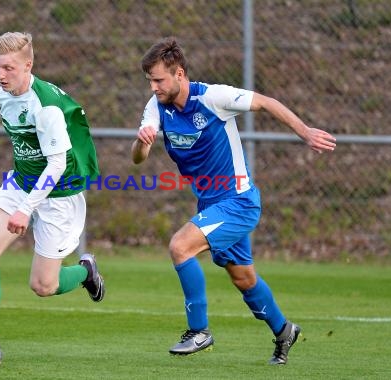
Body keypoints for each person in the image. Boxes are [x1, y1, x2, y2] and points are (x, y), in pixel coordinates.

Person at [131, 37, 336, 365]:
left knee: (180, 246)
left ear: (179, 73)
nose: (153, 87)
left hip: (238, 202)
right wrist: (143, 144)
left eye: (158, 79)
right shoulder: (156, 107)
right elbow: (139, 158)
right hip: (211, 206)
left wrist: (304, 132)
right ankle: (284, 330)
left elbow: (266, 102)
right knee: (244, 279)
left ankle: (199, 331)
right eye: (150, 81)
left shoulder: (213, 97)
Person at [0, 31, 105, 368]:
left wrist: (26, 210)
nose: (0, 75)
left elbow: (56, 164)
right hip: (21, 182)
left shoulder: (47, 107)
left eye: (8, 68)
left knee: (43, 285)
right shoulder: (4, 94)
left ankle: (85, 272)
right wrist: (20, 196)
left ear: (28, 65)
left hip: (58, 194)